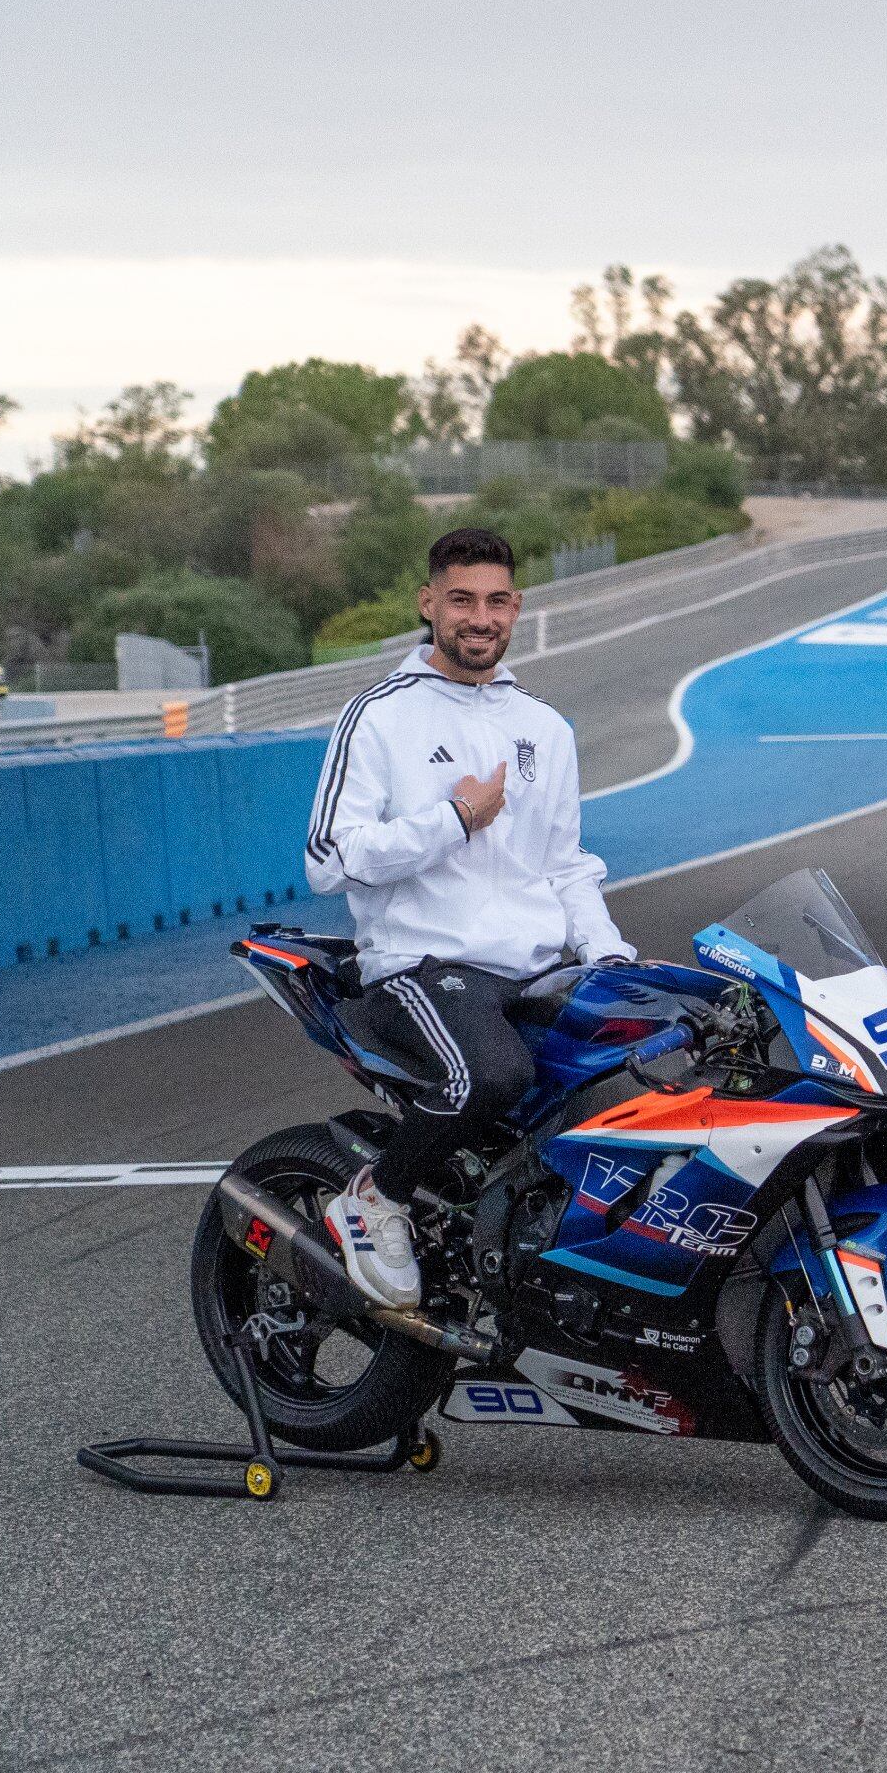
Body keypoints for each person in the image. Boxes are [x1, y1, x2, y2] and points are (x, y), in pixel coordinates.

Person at [304, 525, 636, 1310]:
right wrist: (451, 820)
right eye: (460, 600)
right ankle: (373, 1201)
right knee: (491, 1075)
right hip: (424, 964)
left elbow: (564, 867)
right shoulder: (380, 715)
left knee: (644, 1068)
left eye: (494, 601)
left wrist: (611, 956)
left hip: (535, 969)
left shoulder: (545, 728)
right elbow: (327, 857)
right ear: (428, 604)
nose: (478, 618)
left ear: (516, 608)